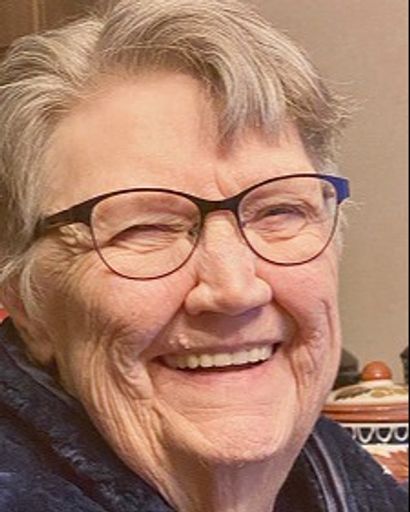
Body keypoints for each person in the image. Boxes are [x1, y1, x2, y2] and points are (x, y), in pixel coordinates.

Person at [0, 0, 407, 511]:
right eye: (145, 227)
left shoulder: (349, 482)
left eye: (279, 211)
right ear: (30, 307)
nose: (235, 289)